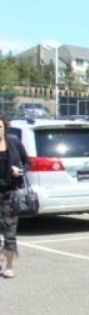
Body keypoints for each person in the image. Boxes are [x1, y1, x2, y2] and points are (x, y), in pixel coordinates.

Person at [0, 116, 28, 278]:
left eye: (1, 127)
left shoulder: (14, 144)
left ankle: (9, 266)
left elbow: (26, 162)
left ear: (5, 127)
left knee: (10, 231)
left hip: (10, 193)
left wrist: (19, 170)